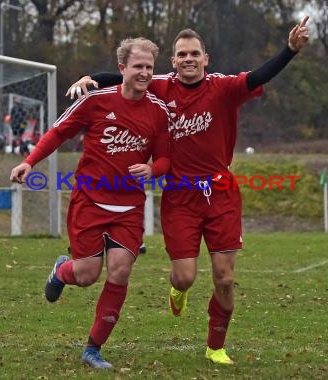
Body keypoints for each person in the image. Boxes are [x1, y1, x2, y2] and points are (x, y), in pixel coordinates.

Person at [66, 17, 310, 364]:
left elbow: (259, 76)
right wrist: (92, 78)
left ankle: (215, 346)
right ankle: (178, 290)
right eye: (182, 54)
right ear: (174, 61)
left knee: (225, 277)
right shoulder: (162, 87)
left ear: (206, 59)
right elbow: (128, 77)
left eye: (195, 53)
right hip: (180, 196)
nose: (189, 59)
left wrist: (289, 51)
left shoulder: (224, 88)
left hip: (221, 191)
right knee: (184, 278)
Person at [10, 37, 170, 369]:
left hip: (129, 208)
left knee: (120, 270)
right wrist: (30, 161)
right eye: (137, 66)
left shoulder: (158, 111)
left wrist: (153, 168)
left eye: (149, 68)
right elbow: (57, 132)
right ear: (122, 69)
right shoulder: (95, 101)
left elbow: (166, 158)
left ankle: (93, 348)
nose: (143, 73)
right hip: (89, 202)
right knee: (86, 275)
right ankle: (61, 270)